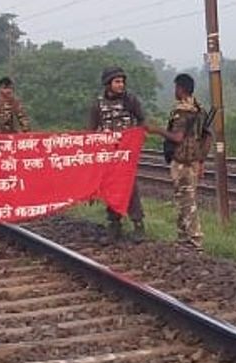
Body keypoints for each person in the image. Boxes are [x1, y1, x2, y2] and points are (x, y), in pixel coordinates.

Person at [146, 74, 211, 251]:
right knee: (184, 199)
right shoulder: (199, 108)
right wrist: (202, 160)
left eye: (176, 87)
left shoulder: (182, 111)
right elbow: (207, 136)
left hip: (182, 160)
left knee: (186, 201)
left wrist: (156, 130)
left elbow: (177, 137)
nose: (175, 91)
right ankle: (183, 239)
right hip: (194, 160)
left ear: (181, 88)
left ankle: (194, 240)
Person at [88, 66, 146, 242]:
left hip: (126, 154)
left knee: (130, 188)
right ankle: (114, 226)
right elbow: (91, 130)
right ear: (108, 84)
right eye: (117, 81)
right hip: (109, 154)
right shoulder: (98, 104)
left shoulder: (131, 101)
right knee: (111, 188)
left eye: (122, 81)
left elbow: (142, 120)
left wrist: (136, 136)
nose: (121, 85)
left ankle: (138, 224)